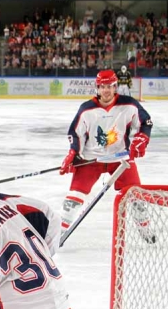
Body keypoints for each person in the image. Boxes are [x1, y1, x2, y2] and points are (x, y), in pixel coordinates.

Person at [59, 69, 153, 242]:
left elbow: (145, 122)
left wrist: (142, 138)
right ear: (97, 88)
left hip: (121, 159)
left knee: (137, 198)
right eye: (103, 87)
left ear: (115, 86)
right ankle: (58, 234)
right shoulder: (86, 109)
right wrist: (74, 153)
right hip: (91, 159)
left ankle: (145, 229)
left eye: (110, 86)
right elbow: (76, 133)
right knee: (72, 201)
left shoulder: (129, 104)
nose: (106, 90)